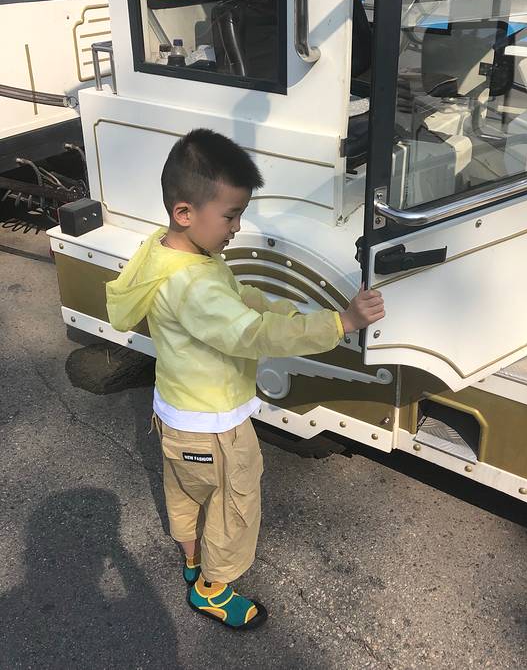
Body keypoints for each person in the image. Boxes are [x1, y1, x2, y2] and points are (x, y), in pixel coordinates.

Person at [105, 128, 385, 631]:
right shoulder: (195, 284)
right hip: (215, 427)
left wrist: (290, 309)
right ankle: (211, 590)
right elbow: (251, 333)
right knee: (233, 508)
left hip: (174, 415)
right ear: (185, 213)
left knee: (184, 494)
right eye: (231, 215)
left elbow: (240, 298)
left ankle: (192, 561)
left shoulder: (166, 252)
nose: (237, 227)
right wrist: (339, 323)